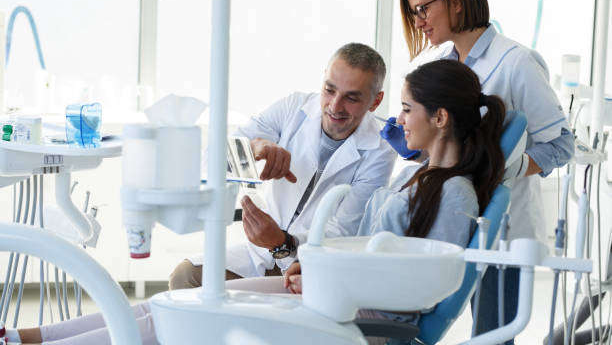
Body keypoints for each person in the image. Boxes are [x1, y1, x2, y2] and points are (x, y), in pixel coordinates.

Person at [7, 59, 505, 345]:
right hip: (326, 288)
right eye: (329, 90)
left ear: (440, 118)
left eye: (405, 109)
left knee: (177, 315)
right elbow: (372, 250)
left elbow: (418, 293)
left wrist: (308, 265)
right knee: (168, 301)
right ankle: (25, 337)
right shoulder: (419, 175)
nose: (400, 121)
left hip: (352, 312)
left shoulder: (451, 192)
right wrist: (255, 155)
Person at [381, 0, 574, 343]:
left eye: (423, 9)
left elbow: (562, 145)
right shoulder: (441, 63)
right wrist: (413, 145)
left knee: (492, 335)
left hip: (503, 228)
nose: (418, 21)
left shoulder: (516, 62)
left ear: (455, 1)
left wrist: (509, 166)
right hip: (449, 219)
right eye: (413, 12)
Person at [169, 42, 397, 288]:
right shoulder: (293, 108)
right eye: (329, 90)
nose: (335, 106)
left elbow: (343, 233)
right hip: (259, 254)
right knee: (185, 278)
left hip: (311, 266)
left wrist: (282, 242)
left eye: (351, 98)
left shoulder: (380, 151)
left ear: (376, 101)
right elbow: (211, 159)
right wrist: (253, 148)